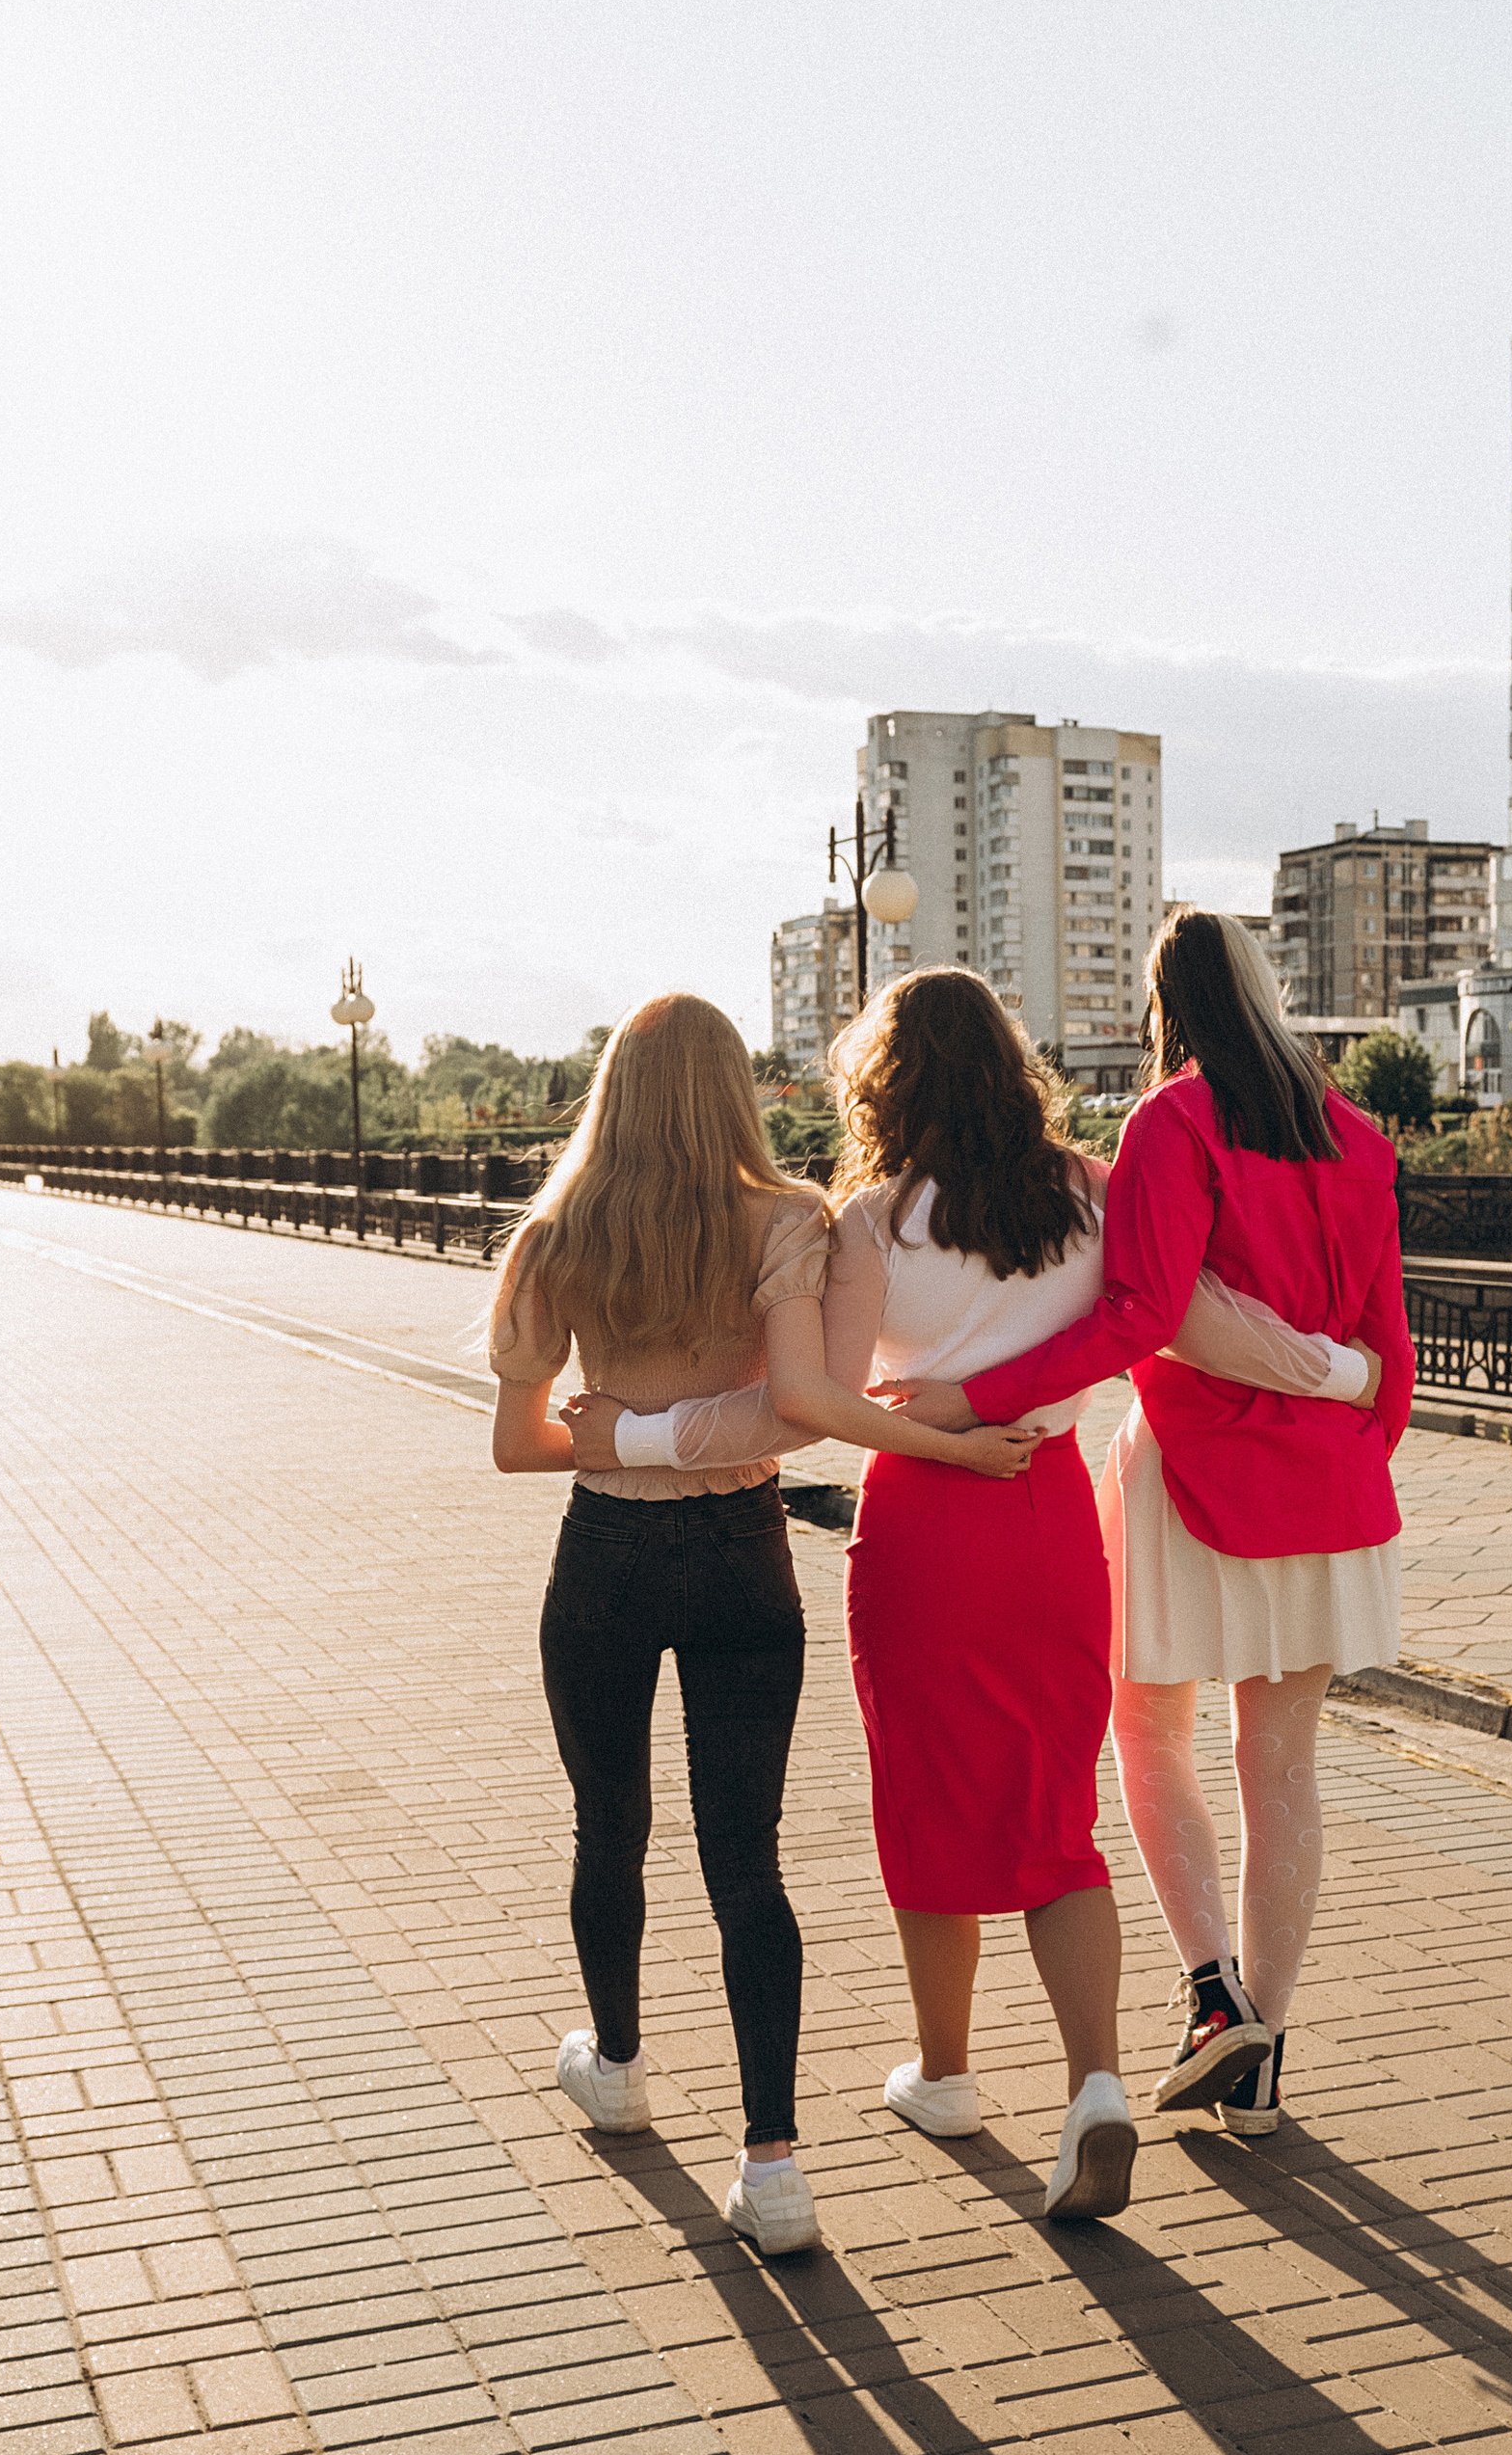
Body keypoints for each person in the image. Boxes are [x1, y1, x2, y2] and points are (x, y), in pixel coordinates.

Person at [576, 965, 1371, 2221]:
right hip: (1055, 1508)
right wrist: (1344, 1367)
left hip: (927, 1518)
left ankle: (946, 2075)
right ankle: (1097, 2084)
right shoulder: (1093, 1193)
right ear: (1012, 1062)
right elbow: (1184, 1320)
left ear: (884, 1080)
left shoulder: (874, 1219)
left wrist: (903, 1416)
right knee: (1058, 1812)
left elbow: (824, 1401)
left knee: (931, 1801)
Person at [486, 990, 1030, 2268]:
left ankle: (617, 2064)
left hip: (608, 1557)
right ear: (734, 1088)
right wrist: (698, 1433)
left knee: (607, 1826)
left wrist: (616, 1428)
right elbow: (798, 1412)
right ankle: (772, 2163)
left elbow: (519, 1443)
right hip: (743, 1555)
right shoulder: (787, 1221)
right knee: (748, 1856)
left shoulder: (556, 1231)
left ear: (610, 1091)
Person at [913, 911, 1412, 2143]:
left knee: (1146, 1731)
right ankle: (1261, 2061)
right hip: (1336, 1490)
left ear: (1163, 1001)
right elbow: (1390, 1360)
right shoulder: (1358, 1137)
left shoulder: (1172, 1123)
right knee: (1283, 1764)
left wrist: (973, 1397)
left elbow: (1138, 1315)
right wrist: (1343, 1427)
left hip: (1192, 1473)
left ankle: (1210, 1994)